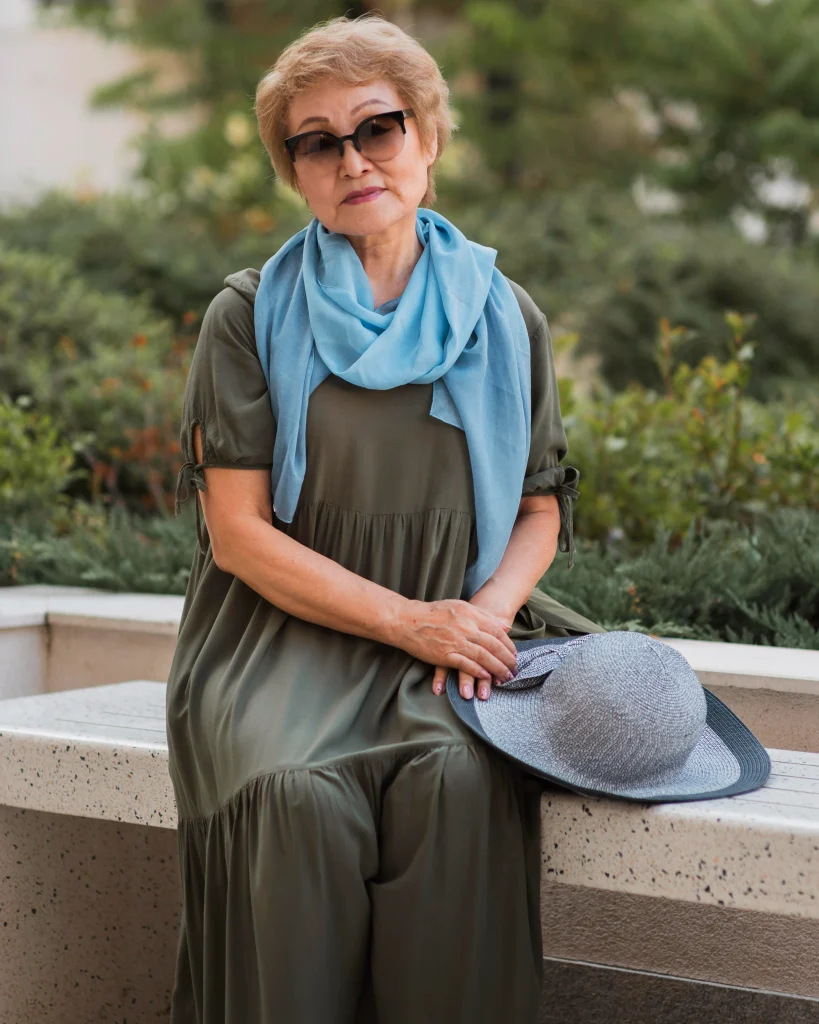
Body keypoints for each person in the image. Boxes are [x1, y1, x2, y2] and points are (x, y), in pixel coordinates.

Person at [167, 13, 605, 1023]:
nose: (353, 158)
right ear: (294, 172)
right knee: (296, 798)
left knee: (459, 789)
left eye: (379, 126)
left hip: (452, 650)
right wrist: (411, 620)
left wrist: (480, 618)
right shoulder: (245, 315)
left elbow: (541, 509)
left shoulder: (506, 314)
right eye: (316, 142)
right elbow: (237, 535)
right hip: (278, 644)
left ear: (430, 137)